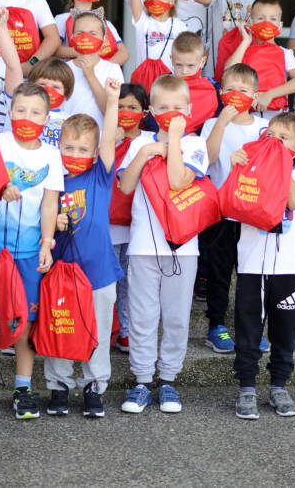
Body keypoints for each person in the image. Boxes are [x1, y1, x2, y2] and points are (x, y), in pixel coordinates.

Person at [0, 83, 62, 420]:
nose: (26, 117)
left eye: (35, 112)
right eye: (20, 110)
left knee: (26, 321)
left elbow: (50, 204)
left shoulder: (51, 154)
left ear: (47, 119)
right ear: (9, 111)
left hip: (30, 252)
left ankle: (23, 387)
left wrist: (47, 242)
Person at [117, 75, 209, 414]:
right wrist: (144, 152)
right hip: (142, 246)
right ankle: (141, 380)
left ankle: (168, 380)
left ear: (189, 109)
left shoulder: (195, 144)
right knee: (141, 316)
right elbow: (125, 187)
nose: (171, 113)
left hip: (182, 248)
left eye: (178, 108)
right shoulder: (137, 143)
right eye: (164, 108)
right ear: (151, 110)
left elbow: (177, 181)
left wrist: (173, 140)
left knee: (175, 317)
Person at [45, 81, 124, 418]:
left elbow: (108, 138)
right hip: (61, 271)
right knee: (60, 326)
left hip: (99, 270)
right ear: (58, 146)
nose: (75, 155)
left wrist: (114, 99)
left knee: (98, 329)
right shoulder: (52, 177)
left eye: (83, 150)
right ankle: (59, 386)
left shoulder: (99, 176)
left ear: (94, 154)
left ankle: (94, 386)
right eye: (69, 148)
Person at [231, 112, 295, 420]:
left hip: (287, 268)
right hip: (252, 265)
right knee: (249, 327)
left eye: (284, 139)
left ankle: (279, 385)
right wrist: (239, 164)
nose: (275, 143)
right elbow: (234, 201)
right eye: (270, 136)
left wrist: (280, 161)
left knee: (285, 331)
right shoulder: (251, 168)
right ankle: (247, 387)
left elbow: (293, 201)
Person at [199, 63, 268, 354]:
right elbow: (208, 159)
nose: (235, 95)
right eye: (229, 89)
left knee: (251, 274)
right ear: (219, 93)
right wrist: (221, 124)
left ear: (255, 96)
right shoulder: (211, 125)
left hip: (253, 213)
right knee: (219, 271)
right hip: (220, 210)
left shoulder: (264, 128)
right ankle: (216, 325)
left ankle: (251, 328)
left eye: (242, 90)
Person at [111, 83, 149, 354]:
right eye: (121, 106)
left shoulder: (150, 140)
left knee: (129, 280)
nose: (126, 112)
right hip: (108, 221)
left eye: (133, 108)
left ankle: (125, 330)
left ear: (145, 112)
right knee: (107, 279)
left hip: (137, 223)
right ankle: (107, 328)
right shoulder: (104, 137)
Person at [223, 0, 295, 119]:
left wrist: (269, 94)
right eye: (261, 18)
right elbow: (227, 71)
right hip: (244, 116)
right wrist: (246, 41)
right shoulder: (243, 51)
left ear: (280, 25)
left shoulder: (285, 53)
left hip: (276, 118)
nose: (267, 23)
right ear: (250, 23)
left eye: (273, 19)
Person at [55, 0, 130, 66]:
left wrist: (103, 68)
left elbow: (123, 53)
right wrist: (85, 52)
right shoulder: (61, 19)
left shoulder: (106, 23)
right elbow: (55, 49)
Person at [62, 11, 126, 125]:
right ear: (72, 38)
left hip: (99, 136)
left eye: (93, 33)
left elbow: (111, 110)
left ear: (104, 41)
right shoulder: (63, 69)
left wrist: (90, 75)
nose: (86, 37)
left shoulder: (112, 69)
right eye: (79, 33)